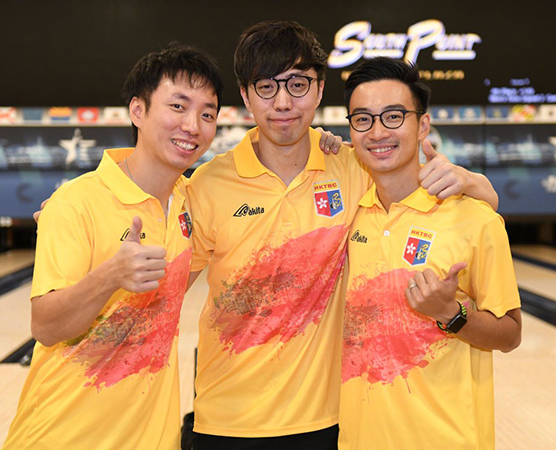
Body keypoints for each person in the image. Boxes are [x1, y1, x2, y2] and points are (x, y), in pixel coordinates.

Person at [186, 21, 499, 450]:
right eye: (265, 87)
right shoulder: (207, 183)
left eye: (298, 85)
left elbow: (442, 204)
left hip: (328, 420)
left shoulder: (354, 168)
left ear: (319, 90)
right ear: (244, 96)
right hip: (226, 419)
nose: (282, 102)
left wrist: (477, 184)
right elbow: (167, 289)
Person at [3, 43, 223, 450]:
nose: (193, 125)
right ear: (137, 111)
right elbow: (46, 327)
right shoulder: (77, 202)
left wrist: (328, 145)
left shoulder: (196, 200)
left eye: (207, 113)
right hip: (62, 438)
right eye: (178, 106)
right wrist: (110, 275)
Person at [339, 57, 522, 449]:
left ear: (422, 124)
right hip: (359, 439)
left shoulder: (476, 220)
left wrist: (449, 314)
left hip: (447, 439)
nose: (377, 132)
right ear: (351, 130)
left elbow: (510, 335)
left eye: (393, 116)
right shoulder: (350, 215)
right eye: (363, 119)